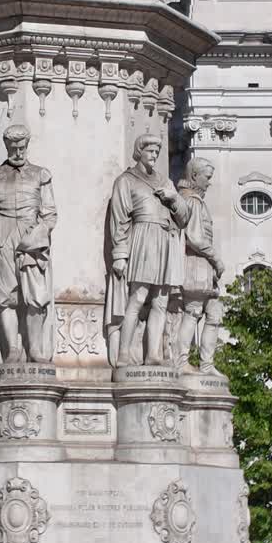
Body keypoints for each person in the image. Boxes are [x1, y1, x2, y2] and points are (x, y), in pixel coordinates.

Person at [106, 133, 190, 366]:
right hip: (142, 237)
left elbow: (184, 218)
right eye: (151, 150)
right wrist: (120, 254)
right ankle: (124, 352)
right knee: (138, 297)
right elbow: (120, 217)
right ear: (139, 151)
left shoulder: (165, 182)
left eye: (157, 151)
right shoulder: (127, 180)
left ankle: (153, 355)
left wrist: (174, 199)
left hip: (165, 239)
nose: (155, 155)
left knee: (161, 301)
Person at [0, 125, 57, 363]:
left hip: (30, 239)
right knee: (3, 297)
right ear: (6, 147)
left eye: (22, 148)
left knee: (36, 297)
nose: (19, 153)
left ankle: (35, 350)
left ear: (27, 146)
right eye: (14, 148)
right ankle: (12, 349)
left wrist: (39, 233)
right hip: (0, 238)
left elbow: (50, 214)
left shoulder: (41, 174)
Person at [174, 158, 225, 374]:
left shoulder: (196, 200)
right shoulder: (192, 200)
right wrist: (215, 258)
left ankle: (207, 364)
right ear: (195, 176)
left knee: (214, 313)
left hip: (204, 268)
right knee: (193, 312)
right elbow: (194, 238)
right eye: (207, 177)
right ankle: (181, 360)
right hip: (195, 265)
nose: (209, 183)